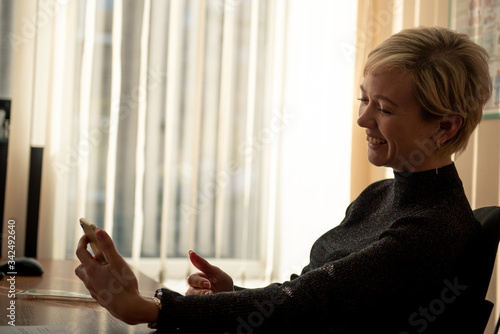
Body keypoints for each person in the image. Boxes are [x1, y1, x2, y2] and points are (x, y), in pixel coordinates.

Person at [75, 26, 492, 333]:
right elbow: (310, 294)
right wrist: (232, 294)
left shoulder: (432, 229)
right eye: (364, 99)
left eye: (382, 107)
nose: (363, 118)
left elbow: (312, 304)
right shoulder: (380, 195)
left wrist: (153, 309)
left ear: (445, 128)